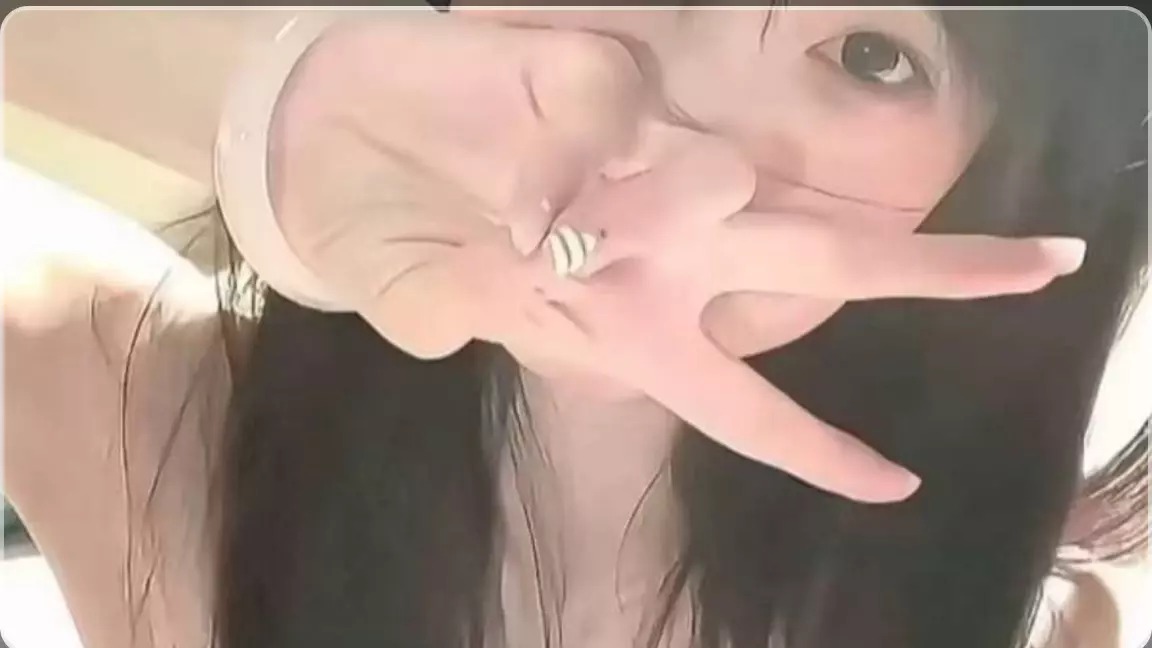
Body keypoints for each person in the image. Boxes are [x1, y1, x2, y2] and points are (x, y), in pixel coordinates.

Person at [3, 6, 1148, 648]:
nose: (686, 121)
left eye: (871, 56)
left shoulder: (1045, 629)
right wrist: (285, 105)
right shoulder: (131, 404)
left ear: (1004, 180)